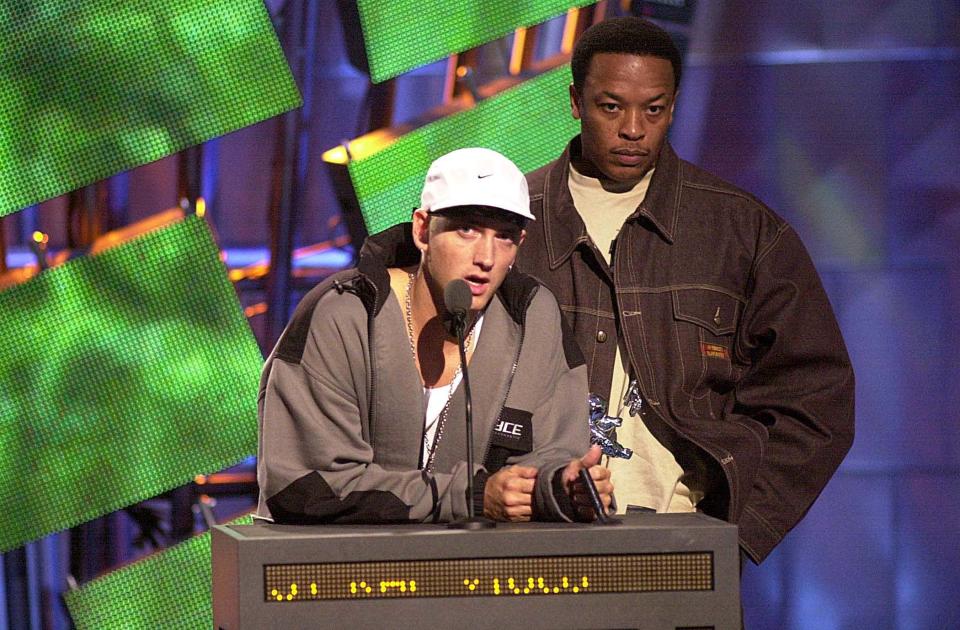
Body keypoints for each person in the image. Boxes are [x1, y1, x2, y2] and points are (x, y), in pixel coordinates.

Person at [515, 17, 854, 563]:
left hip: (682, 546)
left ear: (673, 107)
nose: (633, 128)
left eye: (654, 109)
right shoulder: (510, 223)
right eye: (611, 106)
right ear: (575, 102)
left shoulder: (740, 230)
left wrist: (736, 533)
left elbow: (816, 400)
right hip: (524, 543)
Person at [257, 147, 613, 525]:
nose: (486, 257)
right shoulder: (343, 314)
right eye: (467, 230)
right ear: (422, 230)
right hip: (338, 569)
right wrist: (469, 497)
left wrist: (563, 489)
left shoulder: (534, 318)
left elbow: (550, 455)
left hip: (476, 573)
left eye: (505, 237)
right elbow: (307, 486)